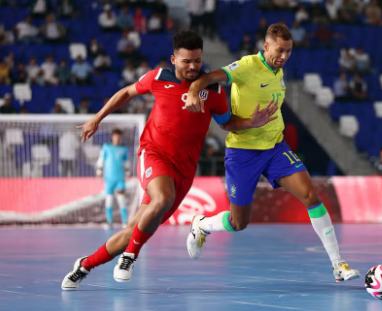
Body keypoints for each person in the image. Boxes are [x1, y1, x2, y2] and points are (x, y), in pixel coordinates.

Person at [61, 30, 279, 290]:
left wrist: (249, 123)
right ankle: (130, 257)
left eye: (197, 61)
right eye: (186, 61)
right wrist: (97, 118)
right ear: (174, 59)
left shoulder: (214, 91)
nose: (193, 66)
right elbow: (127, 92)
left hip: (184, 171)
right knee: (161, 199)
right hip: (154, 154)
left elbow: (225, 123)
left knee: (134, 230)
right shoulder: (158, 77)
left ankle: (84, 265)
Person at [184, 23, 360, 283]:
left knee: (311, 195)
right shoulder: (245, 67)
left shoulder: (278, 71)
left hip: (276, 148)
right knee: (238, 222)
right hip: (243, 152)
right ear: (266, 47)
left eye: (289, 52)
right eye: (280, 51)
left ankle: (338, 265)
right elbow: (206, 78)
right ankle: (202, 225)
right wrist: (191, 93)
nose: (284, 57)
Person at [96, 129, 130, 229]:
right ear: (112, 137)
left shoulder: (124, 149)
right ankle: (109, 222)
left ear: (121, 137)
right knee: (109, 200)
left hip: (119, 178)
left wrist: (127, 171)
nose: (117, 138)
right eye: (115, 136)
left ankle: (125, 221)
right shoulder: (106, 147)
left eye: (118, 136)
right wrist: (99, 170)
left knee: (121, 200)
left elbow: (126, 162)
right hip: (109, 179)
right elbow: (101, 159)